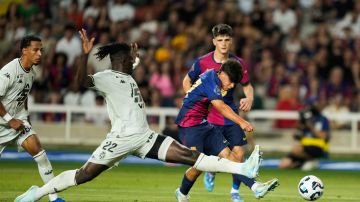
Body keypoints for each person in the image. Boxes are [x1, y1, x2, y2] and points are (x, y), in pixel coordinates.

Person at [14, 29, 262, 202]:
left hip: (144, 137)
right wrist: (85, 54)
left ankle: (244, 169)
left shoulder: (126, 73)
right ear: (121, 60)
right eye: (131, 57)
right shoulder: (106, 78)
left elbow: (132, 63)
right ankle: (37, 193)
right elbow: (80, 81)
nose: (135, 59)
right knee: (84, 175)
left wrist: (134, 55)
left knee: (192, 157)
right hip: (121, 139)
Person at [182, 23, 277, 201]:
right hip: (209, 117)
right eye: (220, 40)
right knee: (203, 164)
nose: (223, 44)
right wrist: (192, 98)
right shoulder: (203, 62)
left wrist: (249, 98)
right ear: (213, 42)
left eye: (227, 40)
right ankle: (204, 177)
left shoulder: (238, 63)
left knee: (239, 155)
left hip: (230, 114)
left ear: (231, 41)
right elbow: (186, 81)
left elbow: (248, 86)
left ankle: (235, 192)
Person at [0, 36, 65, 202]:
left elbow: (23, 96)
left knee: (41, 154)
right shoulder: (9, 71)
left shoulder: (32, 73)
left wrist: (25, 117)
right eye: (35, 50)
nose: (40, 54)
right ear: (24, 51)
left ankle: (54, 198)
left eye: (41, 50)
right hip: (4, 123)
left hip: (18, 122)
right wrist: (9, 119)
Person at [279, 96, 330, 171]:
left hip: (317, 147)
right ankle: (305, 163)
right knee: (283, 164)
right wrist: (301, 123)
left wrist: (310, 127)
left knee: (297, 149)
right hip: (303, 147)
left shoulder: (323, 119)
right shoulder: (305, 120)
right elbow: (295, 135)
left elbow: (323, 136)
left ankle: (308, 161)